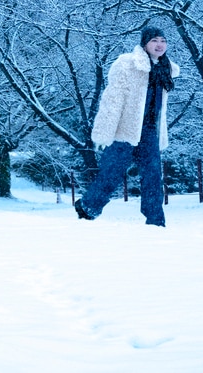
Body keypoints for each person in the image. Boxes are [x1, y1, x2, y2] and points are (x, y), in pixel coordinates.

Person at [75, 26, 178, 227]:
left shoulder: (166, 69)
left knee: (153, 178)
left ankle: (155, 221)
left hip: (149, 133)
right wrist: (104, 133)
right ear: (145, 43)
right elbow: (112, 100)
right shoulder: (126, 64)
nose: (159, 45)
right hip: (124, 131)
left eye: (163, 41)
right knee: (111, 174)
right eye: (154, 40)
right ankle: (87, 208)